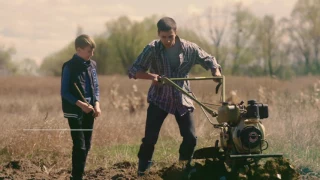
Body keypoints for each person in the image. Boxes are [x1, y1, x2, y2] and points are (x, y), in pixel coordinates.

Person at [128, 17, 222, 176]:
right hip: (160, 98)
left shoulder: (190, 48)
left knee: (191, 138)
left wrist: (215, 72)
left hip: (182, 97)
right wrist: (152, 76)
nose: (167, 40)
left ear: (175, 33)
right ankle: (143, 171)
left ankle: (183, 168)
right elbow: (134, 71)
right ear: (158, 34)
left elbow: (209, 59)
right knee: (150, 138)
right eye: (163, 37)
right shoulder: (152, 49)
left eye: (170, 37)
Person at [61, 34, 101, 180]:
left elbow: (95, 86)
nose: (92, 54)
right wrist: (81, 105)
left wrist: (97, 104)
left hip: (90, 110)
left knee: (87, 145)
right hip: (74, 111)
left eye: (92, 51)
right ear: (78, 50)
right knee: (80, 145)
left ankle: (78, 175)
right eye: (89, 51)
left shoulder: (93, 65)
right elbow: (64, 92)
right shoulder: (69, 66)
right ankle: (76, 177)